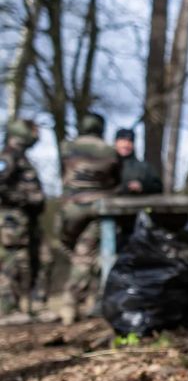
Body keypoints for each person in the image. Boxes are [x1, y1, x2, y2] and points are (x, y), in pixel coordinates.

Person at [58, 112, 120, 325]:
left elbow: (63, 171)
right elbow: (115, 179)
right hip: (97, 207)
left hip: (71, 207)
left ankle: (72, 303)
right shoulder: (109, 150)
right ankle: (76, 299)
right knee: (86, 254)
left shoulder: (67, 146)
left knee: (77, 251)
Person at [0, 118, 45, 316]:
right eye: (33, 130)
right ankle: (8, 309)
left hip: (25, 219)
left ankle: (24, 307)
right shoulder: (8, 156)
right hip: (12, 220)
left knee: (28, 261)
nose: (36, 135)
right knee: (12, 261)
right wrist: (20, 199)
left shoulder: (20, 157)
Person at [115, 128, 163, 195]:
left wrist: (142, 186)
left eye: (130, 141)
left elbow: (158, 187)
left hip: (134, 203)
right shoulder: (104, 164)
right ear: (116, 142)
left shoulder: (144, 167)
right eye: (122, 140)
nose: (126, 144)